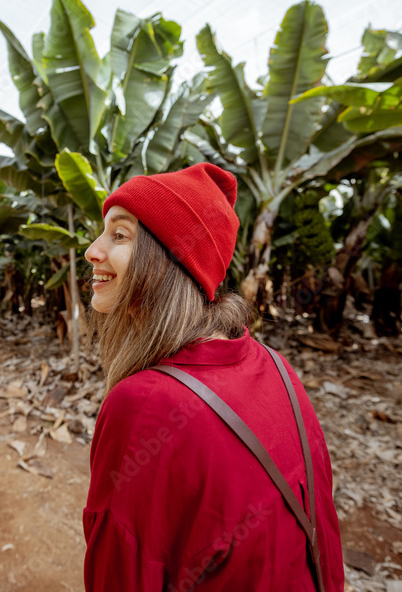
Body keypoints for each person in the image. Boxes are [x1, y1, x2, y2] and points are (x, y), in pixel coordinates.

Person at [82, 163, 344, 591]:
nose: (93, 250)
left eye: (120, 235)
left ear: (168, 261)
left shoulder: (144, 404)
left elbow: (120, 575)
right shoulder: (275, 367)